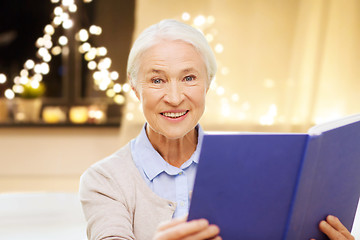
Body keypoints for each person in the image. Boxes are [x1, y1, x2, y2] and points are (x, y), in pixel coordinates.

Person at [79, 19, 354, 240]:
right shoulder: (104, 181)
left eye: (189, 78)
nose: (174, 97)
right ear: (135, 88)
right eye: (157, 80)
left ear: (207, 84)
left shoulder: (252, 167)